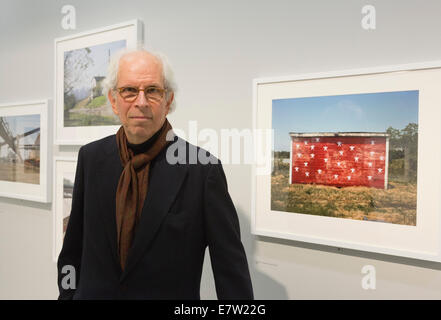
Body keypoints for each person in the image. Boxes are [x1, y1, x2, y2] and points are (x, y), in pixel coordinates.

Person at [57, 48, 253, 299]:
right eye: (129, 90)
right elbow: (73, 250)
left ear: (168, 100)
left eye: (152, 91)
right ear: (114, 101)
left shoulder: (202, 170)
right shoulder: (91, 158)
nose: (140, 101)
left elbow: (231, 273)